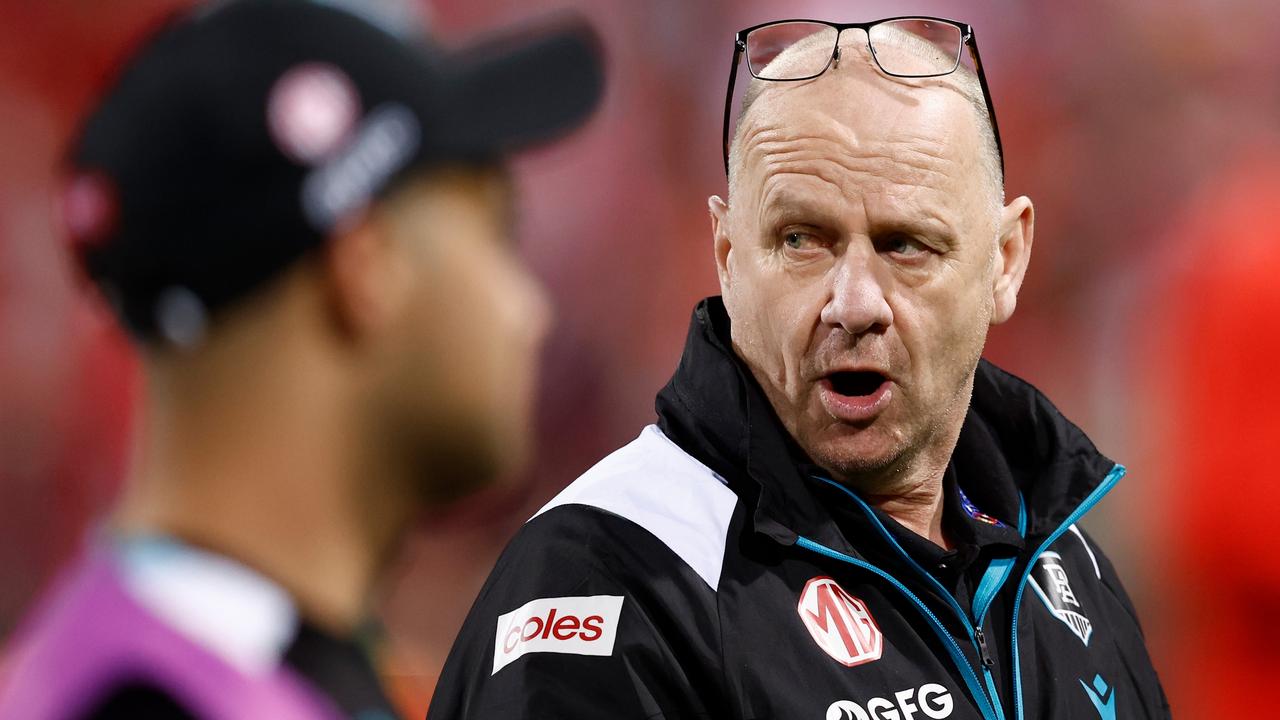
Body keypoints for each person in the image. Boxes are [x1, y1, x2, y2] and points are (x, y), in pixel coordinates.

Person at [428, 17, 1169, 720]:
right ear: (726, 256)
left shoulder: (1064, 566)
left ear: (1006, 261)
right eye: (800, 240)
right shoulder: (611, 577)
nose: (853, 303)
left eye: (906, 244)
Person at [0, 1, 601, 718]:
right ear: (363, 267)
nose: (529, 312)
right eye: (496, 231)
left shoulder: (266, 667)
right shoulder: (146, 702)